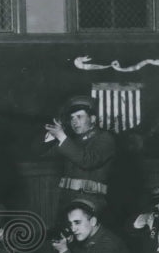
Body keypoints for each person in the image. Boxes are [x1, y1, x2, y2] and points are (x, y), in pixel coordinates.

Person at [43, 95, 116, 223]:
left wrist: (62, 137)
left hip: (90, 202)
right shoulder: (71, 141)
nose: (74, 121)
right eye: (72, 118)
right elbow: (42, 154)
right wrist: (49, 139)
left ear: (93, 119)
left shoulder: (105, 138)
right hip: (66, 200)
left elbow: (88, 161)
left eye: (79, 117)